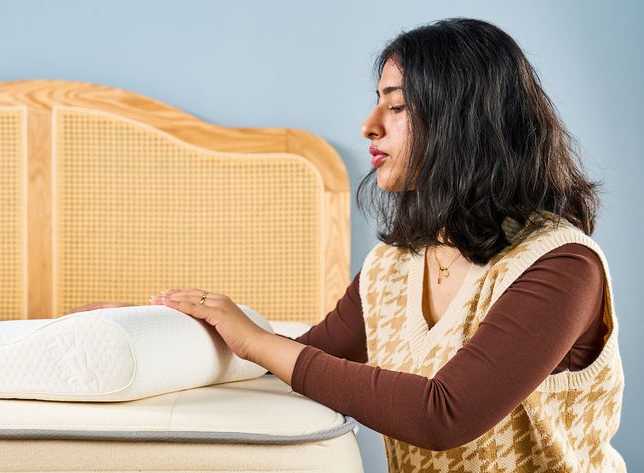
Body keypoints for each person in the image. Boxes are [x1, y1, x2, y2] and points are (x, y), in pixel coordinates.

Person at [70, 18, 625, 473]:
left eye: (397, 105)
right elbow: (296, 365)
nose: (368, 125)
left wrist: (259, 340)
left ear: (465, 119)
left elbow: (444, 414)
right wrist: (156, 326)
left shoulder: (561, 267)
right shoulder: (392, 267)